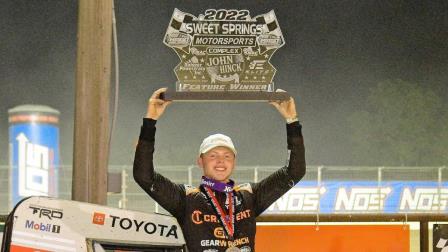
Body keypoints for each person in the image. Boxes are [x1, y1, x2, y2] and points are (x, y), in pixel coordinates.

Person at [133, 87, 306, 252]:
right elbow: (144, 177)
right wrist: (150, 121)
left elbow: (294, 172)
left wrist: (292, 120)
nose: (221, 161)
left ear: (234, 162)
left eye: (227, 156)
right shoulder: (186, 199)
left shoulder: (249, 196)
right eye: (213, 155)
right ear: (200, 161)